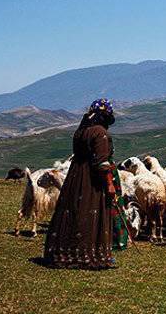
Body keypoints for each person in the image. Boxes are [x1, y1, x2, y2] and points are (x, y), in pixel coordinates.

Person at [44, 98, 127, 269]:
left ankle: (65, 253)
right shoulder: (100, 133)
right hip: (92, 180)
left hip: (76, 176)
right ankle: (91, 255)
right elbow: (102, 162)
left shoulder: (81, 131)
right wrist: (110, 184)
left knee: (74, 210)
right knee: (91, 212)